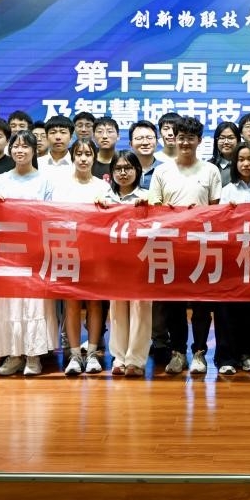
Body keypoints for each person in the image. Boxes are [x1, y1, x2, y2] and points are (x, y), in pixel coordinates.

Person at [149, 116, 223, 376]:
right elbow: (154, 207)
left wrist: (199, 214)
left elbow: (216, 210)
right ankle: (178, 352)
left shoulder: (211, 170)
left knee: (202, 304)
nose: (185, 143)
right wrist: (169, 211)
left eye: (190, 138)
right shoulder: (162, 171)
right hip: (171, 247)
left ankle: (200, 352)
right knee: (174, 305)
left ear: (199, 141)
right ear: (174, 139)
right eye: (181, 138)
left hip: (202, 246)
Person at [0, 131, 58, 377]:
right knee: (9, 303)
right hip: (6, 252)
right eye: (15, 146)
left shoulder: (46, 180)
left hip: (34, 251)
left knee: (33, 303)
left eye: (25, 146)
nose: (20, 150)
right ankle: (13, 355)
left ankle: (33, 356)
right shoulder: (0, 180)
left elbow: (51, 215)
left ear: (34, 150)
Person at [48, 137, 113, 375]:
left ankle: (93, 352)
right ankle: (74, 355)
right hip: (68, 250)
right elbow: (52, 217)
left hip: (96, 253)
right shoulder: (61, 186)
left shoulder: (103, 187)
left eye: (88, 154)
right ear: (72, 156)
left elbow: (112, 218)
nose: (83, 159)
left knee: (95, 303)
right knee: (71, 303)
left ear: (94, 158)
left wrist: (105, 206)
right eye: (79, 154)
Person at [215, 142, 250, 376]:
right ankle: (226, 357)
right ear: (235, 163)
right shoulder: (227, 190)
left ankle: (249, 355)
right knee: (226, 309)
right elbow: (218, 222)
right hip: (230, 256)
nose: (246, 164)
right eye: (241, 159)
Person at [103, 149, 152, 377]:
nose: (123, 173)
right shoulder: (104, 198)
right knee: (117, 309)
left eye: (128, 168)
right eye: (118, 169)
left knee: (141, 308)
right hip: (113, 262)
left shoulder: (148, 197)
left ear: (138, 170)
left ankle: (136, 360)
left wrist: (150, 207)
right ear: (111, 172)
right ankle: (119, 357)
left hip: (142, 261)